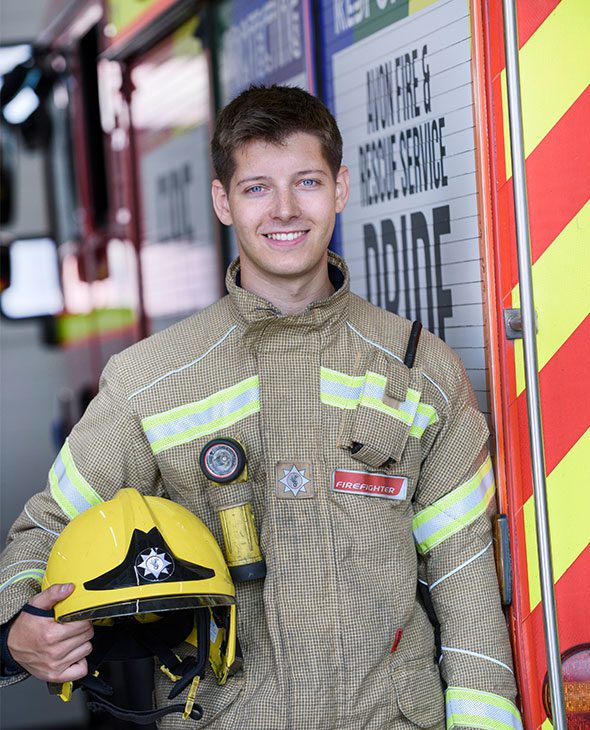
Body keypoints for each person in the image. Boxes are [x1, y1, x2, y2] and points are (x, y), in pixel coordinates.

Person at [0, 85, 522, 729]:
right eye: (256, 188)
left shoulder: (422, 374)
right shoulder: (153, 378)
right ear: (223, 201)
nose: (284, 209)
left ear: (341, 188)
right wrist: (17, 633)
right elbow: (45, 531)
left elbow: (468, 589)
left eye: (307, 181)